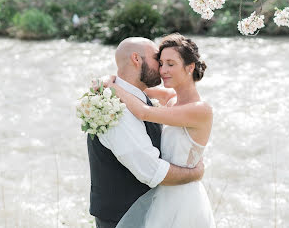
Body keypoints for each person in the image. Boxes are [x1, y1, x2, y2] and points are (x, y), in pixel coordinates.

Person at [87, 37, 205, 228]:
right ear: (136, 59)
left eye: (169, 63)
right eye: (157, 60)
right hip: (123, 219)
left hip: (153, 212)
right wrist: (195, 174)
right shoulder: (118, 110)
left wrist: (109, 82)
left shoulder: (135, 97)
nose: (161, 68)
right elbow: (152, 172)